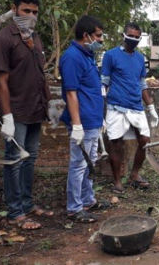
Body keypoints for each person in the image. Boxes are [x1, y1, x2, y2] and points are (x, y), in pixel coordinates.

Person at [0, 0, 57, 230]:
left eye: (34, 12)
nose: (30, 16)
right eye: (26, 10)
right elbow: (1, 82)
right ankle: (15, 211)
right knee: (14, 161)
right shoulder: (3, 39)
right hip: (16, 112)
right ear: (14, 8)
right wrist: (6, 117)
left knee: (31, 159)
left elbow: (40, 75)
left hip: (35, 110)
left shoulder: (35, 38)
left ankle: (28, 204)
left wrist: (49, 103)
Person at [59, 15, 112, 223]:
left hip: (93, 120)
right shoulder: (72, 57)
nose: (100, 40)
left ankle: (88, 200)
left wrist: (100, 119)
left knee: (91, 161)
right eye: (98, 36)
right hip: (83, 121)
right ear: (86, 35)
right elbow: (71, 93)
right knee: (79, 164)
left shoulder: (87, 55)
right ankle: (74, 207)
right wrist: (77, 124)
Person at [101, 22, 159, 194]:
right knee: (116, 144)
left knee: (144, 141)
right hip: (116, 106)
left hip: (136, 106)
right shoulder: (110, 55)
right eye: (131, 35)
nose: (133, 39)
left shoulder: (140, 59)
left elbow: (142, 84)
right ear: (123, 35)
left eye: (137, 37)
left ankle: (134, 174)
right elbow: (103, 82)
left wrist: (151, 107)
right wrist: (101, 110)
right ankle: (117, 181)